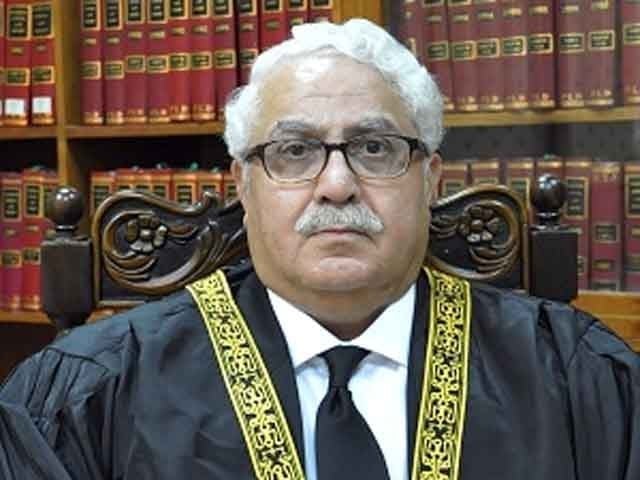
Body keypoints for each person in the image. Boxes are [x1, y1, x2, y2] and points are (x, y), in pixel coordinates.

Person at [1, 18, 639, 480]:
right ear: (244, 185)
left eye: (375, 148)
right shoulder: (95, 393)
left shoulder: (577, 379)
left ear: (430, 180)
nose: (336, 185)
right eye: (294, 151)